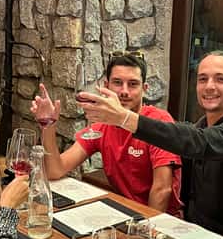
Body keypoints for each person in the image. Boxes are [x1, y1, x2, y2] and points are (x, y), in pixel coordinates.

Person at [80, 50, 223, 238]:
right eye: (203, 79)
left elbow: (200, 142)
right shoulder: (200, 127)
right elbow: (184, 138)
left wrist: (124, 118)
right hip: (197, 235)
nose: (209, 86)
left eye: (221, 79)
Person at [30, 51, 183, 215]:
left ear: (144, 89)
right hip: (124, 213)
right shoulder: (102, 127)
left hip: (161, 221)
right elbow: (55, 170)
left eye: (133, 84)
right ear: (106, 86)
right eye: (117, 83)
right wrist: (48, 126)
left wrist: (146, 228)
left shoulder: (158, 121)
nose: (124, 91)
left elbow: (162, 190)